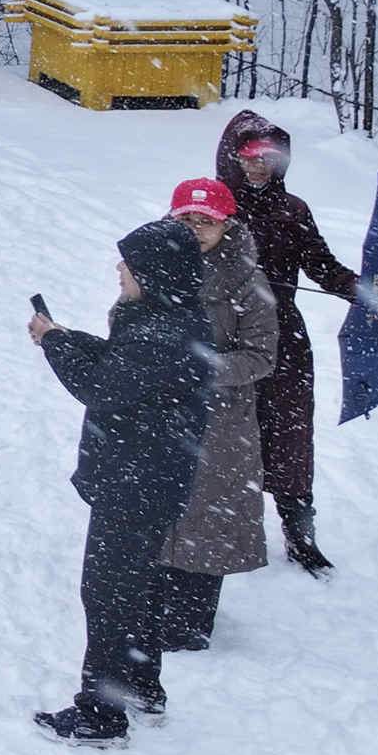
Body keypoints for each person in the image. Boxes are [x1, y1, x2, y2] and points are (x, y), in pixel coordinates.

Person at [28, 210, 217, 747]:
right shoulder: (171, 319)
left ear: (154, 274)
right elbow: (119, 364)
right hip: (151, 478)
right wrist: (64, 336)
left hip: (135, 482)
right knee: (139, 585)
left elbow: (102, 386)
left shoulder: (160, 333)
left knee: (108, 593)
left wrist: (55, 346)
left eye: (129, 264)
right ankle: (141, 685)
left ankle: (101, 715)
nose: (119, 270)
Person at [212, 110, 361, 572]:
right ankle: (209, 526)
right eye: (249, 157)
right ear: (232, 156)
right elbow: (172, 257)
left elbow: (322, 265)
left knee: (291, 440)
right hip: (223, 338)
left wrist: (362, 290)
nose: (258, 167)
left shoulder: (292, 209)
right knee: (222, 436)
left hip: (283, 340)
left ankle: (299, 532)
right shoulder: (212, 206)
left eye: (269, 159)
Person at [152, 179, 278, 653]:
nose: (196, 228)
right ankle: (151, 607)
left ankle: (188, 624)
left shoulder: (247, 279)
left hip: (220, 423)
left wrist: (204, 368)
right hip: (160, 412)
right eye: (187, 218)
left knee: (208, 518)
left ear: (226, 224)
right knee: (158, 509)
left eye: (206, 220)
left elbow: (262, 356)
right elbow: (121, 315)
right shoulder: (154, 263)